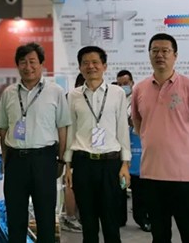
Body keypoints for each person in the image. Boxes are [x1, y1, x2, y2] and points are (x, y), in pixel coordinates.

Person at [132, 33, 189, 243]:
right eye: (155, 51)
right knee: (159, 234)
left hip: (184, 176)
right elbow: (138, 124)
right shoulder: (139, 89)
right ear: (149, 54)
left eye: (165, 51)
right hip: (151, 174)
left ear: (175, 55)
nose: (160, 55)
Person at [0, 42, 71, 243]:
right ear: (17, 65)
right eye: (23, 62)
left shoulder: (55, 91)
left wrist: (61, 160)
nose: (28, 67)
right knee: (15, 217)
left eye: (32, 61)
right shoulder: (9, 93)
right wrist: (6, 159)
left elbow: (63, 127)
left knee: (45, 217)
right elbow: (3, 128)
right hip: (16, 161)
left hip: (44, 159)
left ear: (42, 64)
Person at [64, 47, 131, 243]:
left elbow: (122, 129)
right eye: (85, 63)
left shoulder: (117, 93)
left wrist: (125, 164)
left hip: (110, 164)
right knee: (88, 222)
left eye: (95, 62)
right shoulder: (73, 95)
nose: (90, 66)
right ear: (80, 67)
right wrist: (68, 165)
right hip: (83, 163)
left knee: (111, 222)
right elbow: (71, 130)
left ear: (104, 66)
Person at [116, 69, 151, 232]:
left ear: (132, 83)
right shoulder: (114, 99)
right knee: (120, 186)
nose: (123, 87)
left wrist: (135, 122)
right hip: (118, 149)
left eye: (126, 83)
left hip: (137, 149)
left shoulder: (139, 99)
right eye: (120, 84)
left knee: (138, 187)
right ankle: (119, 218)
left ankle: (141, 217)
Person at [60, 74, 86, 233]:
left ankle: (74, 215)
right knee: (70, 184)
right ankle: (70, 217)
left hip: (81, 149)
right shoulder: (71, 98)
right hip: (73, 147)